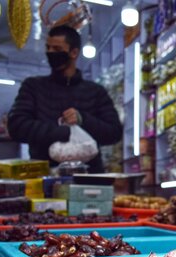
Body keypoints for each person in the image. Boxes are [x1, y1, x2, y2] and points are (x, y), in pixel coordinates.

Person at [8, 25, 122, 173]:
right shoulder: (33, 87)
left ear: (74, 52)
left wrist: (83, 120)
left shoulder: (95, 92)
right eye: (48, 48)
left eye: (56, 49)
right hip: (45, 175)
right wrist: (62, 132)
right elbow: (17, 126)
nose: (50, 53)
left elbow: (114, 133)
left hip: (88, 178)